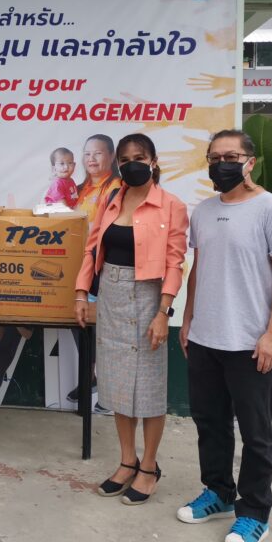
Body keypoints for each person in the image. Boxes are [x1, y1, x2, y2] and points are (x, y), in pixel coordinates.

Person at [177, 129, 272, 542]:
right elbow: (200, 267)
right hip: (205, 337)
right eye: (214, 157)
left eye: (230, 156)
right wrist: (188, 318)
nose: (221, 164)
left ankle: (255, 513)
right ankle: (219, 492)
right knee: (209, 423)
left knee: (255, 432)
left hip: (250, 342)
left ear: (250, 162)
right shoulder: (204, 211)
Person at [74, 133, 188, 506]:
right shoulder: (111, 200)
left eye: (139, 157)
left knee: (149, 388)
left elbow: (175, 262)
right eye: (124, 159)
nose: (131, 164)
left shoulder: (171, 205)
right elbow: (92, 248)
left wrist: (163, 312)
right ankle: (127, 461)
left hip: (148, 298)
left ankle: (149, 467)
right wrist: (81, 293)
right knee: (118, 384)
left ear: (154, 161)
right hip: (111, 296)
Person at [67, 134, 123, 409]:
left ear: (111, 157)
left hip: (105, 265)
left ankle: (108, 388)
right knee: (81, 322)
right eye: (87, 153)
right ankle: (89, 377)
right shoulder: (78, 189)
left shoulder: (118, 188)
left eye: (98, 153)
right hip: (79, 264)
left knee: (106, 327)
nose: (91, 158)